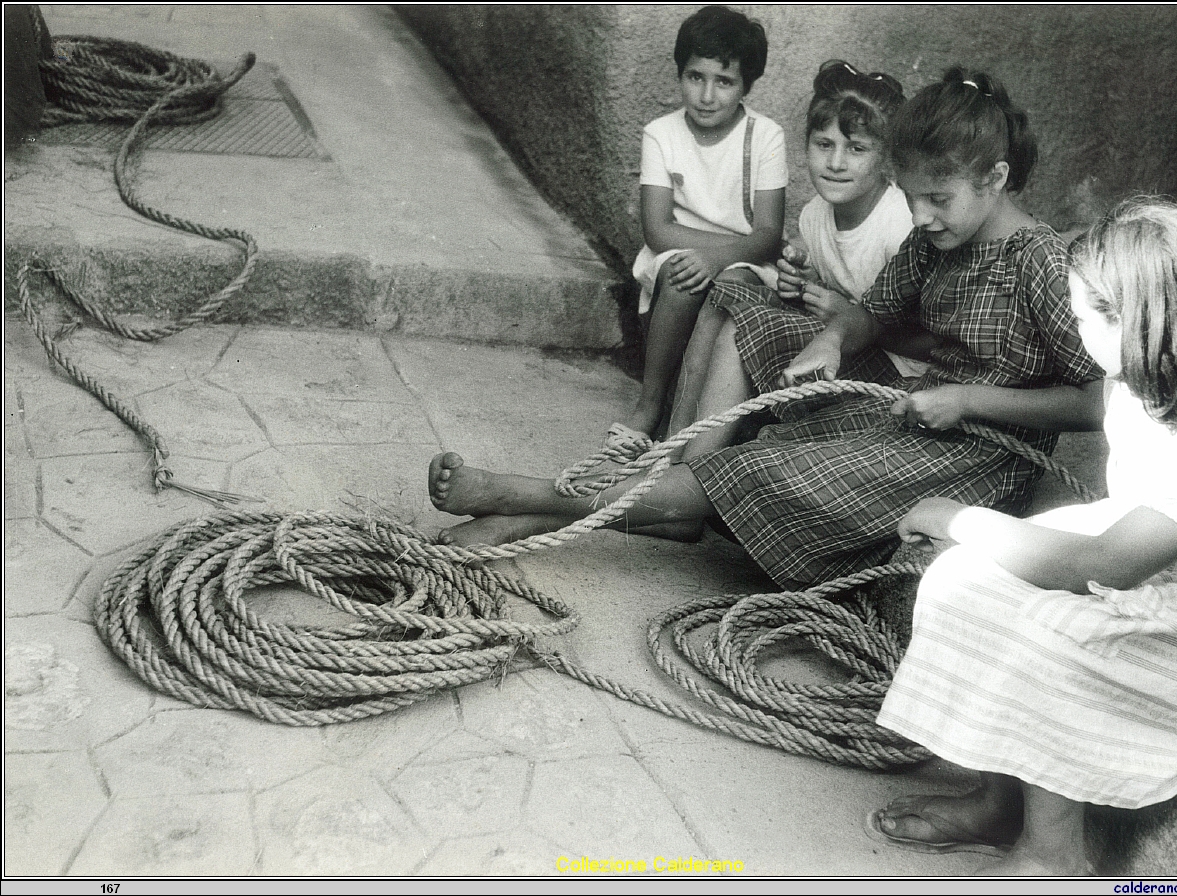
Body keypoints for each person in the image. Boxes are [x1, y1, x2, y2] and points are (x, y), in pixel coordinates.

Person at [430, 67, 1104, 592]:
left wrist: (969, 401)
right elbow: (873, 313)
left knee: (760, 468)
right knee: (742, 301)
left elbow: (1098, 402)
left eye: (938, 199)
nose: (922, 216)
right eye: (914, 198)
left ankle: (527, 499)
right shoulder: (936, 240)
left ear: (996, 178)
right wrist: (835, 337)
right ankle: (660, 503)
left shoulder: (1041, 263)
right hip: (920, 415)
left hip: (981, 458)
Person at [872, 197, 1177, 876]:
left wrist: (960, 517)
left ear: (1134, 318)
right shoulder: (1147, 367)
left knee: (1054, 625)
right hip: (1157, 562)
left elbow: (1104, 565)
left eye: (1079, 315)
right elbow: (1097, 414)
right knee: (962, 579)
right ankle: (997, 800)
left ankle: (1052, 856)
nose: (1073, 329)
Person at [664, 59, 924, 461]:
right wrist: (802, 281)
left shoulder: (899, 225)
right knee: (728, 291)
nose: (836, 163)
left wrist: (842, 311)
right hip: (841, 344)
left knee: (748, 322)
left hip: (898, 375)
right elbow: (832, 284)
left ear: (886, 158)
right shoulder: (815, 214)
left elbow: (931, 341)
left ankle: (688, 471)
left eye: (857, 149)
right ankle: (671, 447)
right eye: (824, 145)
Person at [615, 5, 787, 450]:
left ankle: (691, 426)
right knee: (680, 273)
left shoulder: (765, 136)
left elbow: (768, 235)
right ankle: (649, 405)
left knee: (728, 282)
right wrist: (709, 254)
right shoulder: (661, 133)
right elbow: (657, 228)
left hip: (747, 262)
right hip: (675, 253)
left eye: (724, 81)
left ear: (746, 85)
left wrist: (719, 255)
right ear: (680, 74)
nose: (707, 95)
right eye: (696, 77)